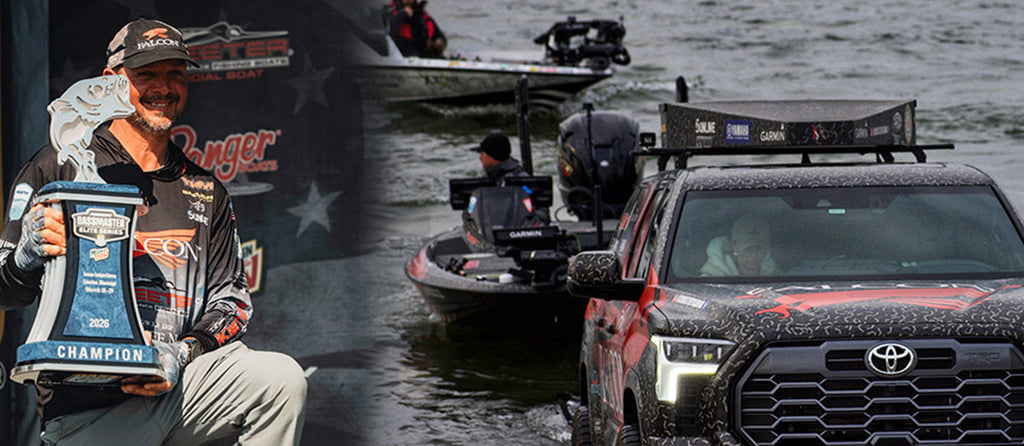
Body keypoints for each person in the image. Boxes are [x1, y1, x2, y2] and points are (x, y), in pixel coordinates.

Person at [0, 18, 306, 445]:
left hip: (179, 390)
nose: (163, 87)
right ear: (111, 80)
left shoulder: (207, 191)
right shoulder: (57, 165)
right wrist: (26, 255)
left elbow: (232, 302)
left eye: (175, 73)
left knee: (280, 380)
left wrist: (180, 353)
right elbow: (4, 291)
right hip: (88, 412)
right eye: (146, 74)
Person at [699, 214, 779, 277]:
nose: (754, 255)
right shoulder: (711, 276)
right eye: (748, 249)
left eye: (759, 248)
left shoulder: (776, 276)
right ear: (734, 246)